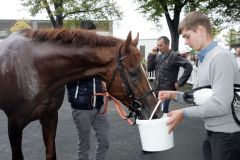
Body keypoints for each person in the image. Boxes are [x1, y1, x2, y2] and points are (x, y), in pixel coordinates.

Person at [158, 11, 240, 160]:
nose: (186, 42)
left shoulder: (220, 57)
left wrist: (184, 113)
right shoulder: (205, 58)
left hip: (227, 136)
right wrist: (174, 94)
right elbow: (199, 97)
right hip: (214, 132)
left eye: (187, 36)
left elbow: (221, 105)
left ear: (201, 31)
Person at [66, 20, 109, 160]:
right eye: (90, 36)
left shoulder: (96, 52)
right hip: (81, 106)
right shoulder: (72, 53)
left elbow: (101, 73)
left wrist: (105, 85)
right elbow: (72, 74)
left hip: (99, 104)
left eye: (94, 36)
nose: (93, 39)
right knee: (84, 146)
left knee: (104, 141)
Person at [147, 36, 193, 113]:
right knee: (157, 112)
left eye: (161, 45)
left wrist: (180, 83)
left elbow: (189, 66)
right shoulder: (158, 56)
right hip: (157, 89)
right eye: (158, 45)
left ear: (168, 44)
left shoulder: (174, 56)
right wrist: (152, 55)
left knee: (163, 112)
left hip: (167, 90)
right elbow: (149, 68)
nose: (159, 47)